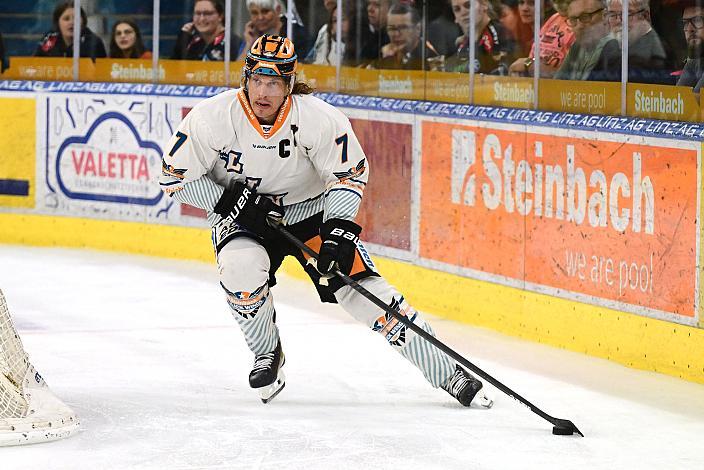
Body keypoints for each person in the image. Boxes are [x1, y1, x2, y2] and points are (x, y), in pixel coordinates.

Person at [158, 34, 494, 408]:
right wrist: (230, 200)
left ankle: (449, 371)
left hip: (310, 213)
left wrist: (335, 232)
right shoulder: (212, 118)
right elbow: (173, 179)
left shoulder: (318, 118)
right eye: (257, 80)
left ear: (289, 84)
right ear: (245, 79)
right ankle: (267, 353)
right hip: (243, 218)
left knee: (364, 293)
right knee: (239, 268)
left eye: (273, 83)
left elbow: (348, 175)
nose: (263, 92)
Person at [553, 0, 621, 81]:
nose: (579, 26)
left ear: (605, 16)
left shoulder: (614, 47)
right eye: (573, 20)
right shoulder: (577, 46)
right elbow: (558, 84)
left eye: (585, 17)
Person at [604, 0, 669, 83]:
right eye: (612, 15)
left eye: (627, 14)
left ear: (645, 16)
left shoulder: (656, 52)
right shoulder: (608, 49)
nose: (618, 21)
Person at [444, 0, 517, 74]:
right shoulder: (462, 43)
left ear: (484, 5)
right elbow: (448, 67)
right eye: (457, 9)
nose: (463, 12)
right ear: (455, 18)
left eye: (469, 5)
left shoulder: (501, 34)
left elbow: (504, 68)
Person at [508, 0, 576, 78]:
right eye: (521, 2)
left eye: (532, 3)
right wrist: (522, 70)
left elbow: (570, 76)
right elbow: (532, 59)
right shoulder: (554, 18)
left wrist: (528, 64)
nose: (525, 9)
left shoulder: (581, 26)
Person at [372, 3, 439, 70]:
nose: (396, 34)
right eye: (391, 28)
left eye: (403, 28)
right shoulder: (383, 55)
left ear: (418, 29)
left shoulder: (429, 60)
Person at [240, 0, 312, 62]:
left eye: (265, 11)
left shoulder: (296, 34)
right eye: (255, 13)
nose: (260, 17)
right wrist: (249, 44)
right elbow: (238, 71)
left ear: (278, 10)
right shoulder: (252, 35)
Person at [172, 0, 245, 61]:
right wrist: (182, 39)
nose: (202, 19)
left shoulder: (234, 44)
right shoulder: (192, 43)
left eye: (207, 14)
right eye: (197, 13)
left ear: (220, 16)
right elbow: (173, 71)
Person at [34, 2, 106, 59]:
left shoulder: (93, 42)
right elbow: (37, 62)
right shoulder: (51, 38)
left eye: (76, 18)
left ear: (83, 22)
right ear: (58, 23)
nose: (71, 22)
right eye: (66, 19)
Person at [306, 1, 359, 66]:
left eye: (343, 19)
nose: (338, 25)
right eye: (334, 20)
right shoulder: (324, 30)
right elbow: (310, 59)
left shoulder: (359, 40)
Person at [677, 2, 704, 92]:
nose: (689, 29)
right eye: (685, 23)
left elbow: (695, 103)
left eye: (697, 20)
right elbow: (677, 98)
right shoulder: (693, 62)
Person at [359, 0, 391, 64]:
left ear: (390, 10)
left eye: (377, 5)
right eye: (368, 4)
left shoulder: (394, 39)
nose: (369, 9)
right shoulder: (366, 37)